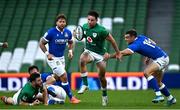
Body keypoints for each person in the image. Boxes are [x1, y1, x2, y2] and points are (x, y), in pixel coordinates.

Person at [109, 29, 176, 106]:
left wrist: (110, 56)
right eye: (125, 37)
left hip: (161, 59)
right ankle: (171, 99)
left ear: (133, 37)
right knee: (158, 82)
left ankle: (159, 95)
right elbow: (153, 43)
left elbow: (125, 52)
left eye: (127, 37)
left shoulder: (135, 44)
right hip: (164, 57)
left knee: (146, 73)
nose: (125, 39)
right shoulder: (141, 37)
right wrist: (148, 57)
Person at [75, 10, 121, 106]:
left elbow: (112, 40)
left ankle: (104, 96)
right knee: (82, 59)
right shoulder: (84, 26)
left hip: (100, 55)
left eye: (92, 20)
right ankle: (85, 84)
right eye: (88, 19)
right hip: (89, 51)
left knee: (102, 77)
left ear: (96, 20)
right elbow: (82, 36)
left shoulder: (101, 30)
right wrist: (76, 34)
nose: (89, 22)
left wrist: (118, 52)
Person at [39, 14, 80, 104]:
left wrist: (70, 51)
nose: (62, 23)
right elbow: (41, 43)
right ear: (56, 22)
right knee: (64, 76)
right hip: (53, 58)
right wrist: (47, 54)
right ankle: (71, 98)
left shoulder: (67, 32)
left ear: (65, 23)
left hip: (61, 58)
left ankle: (40, 88)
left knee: (57, 78)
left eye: (63, 21)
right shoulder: (51, 32)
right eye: (60, 21)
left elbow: (71, 42)